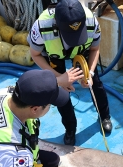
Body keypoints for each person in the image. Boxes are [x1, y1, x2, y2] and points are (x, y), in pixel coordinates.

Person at [28, 0, 112, 146]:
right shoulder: (41, 26)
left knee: (95, 84)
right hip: (55, 55)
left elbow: (94, 49)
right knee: (61, 92)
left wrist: (90, 73)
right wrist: (59, 78)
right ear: (56, 24)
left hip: (82, 51)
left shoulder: (92, 21)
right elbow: (35, 54)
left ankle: (105, 116)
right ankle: (70, 129)